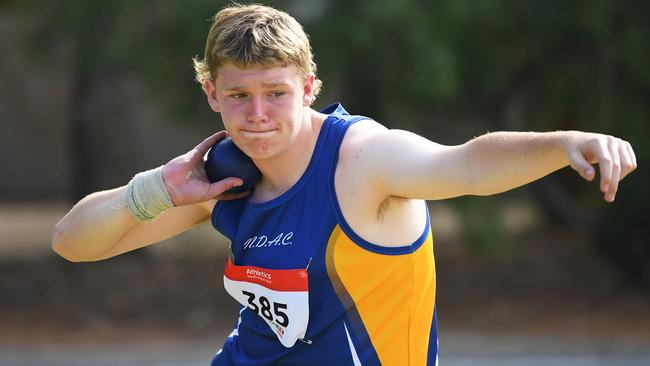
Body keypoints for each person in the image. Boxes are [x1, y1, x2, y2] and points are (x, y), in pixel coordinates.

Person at [52, 4, 637, 366]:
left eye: (275, 94)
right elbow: (74, 243)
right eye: (238, 96)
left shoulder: (363, 159)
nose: (257, 114)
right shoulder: (219, 173)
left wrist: (562, 144)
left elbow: (467, 164)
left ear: (308, 87)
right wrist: (154, 189)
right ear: (212, 94)